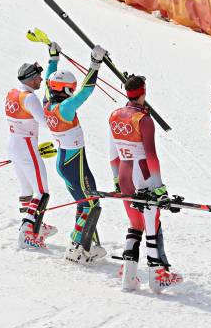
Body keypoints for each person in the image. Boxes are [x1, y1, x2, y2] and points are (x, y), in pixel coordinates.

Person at [108, 75, 183, 292]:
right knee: (151, 224)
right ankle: (157, 276)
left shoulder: (114, 115)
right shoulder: (144, 119)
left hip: (124, 175)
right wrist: (160, 187)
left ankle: (128, 275)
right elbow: (151, 155)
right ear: (144, 92)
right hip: (143, 176)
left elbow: (113, 154)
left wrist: (116, 180)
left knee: (135, 223)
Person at [43, 41, 107, 263]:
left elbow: (47, 81)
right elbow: (86, 91)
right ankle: (77, 247)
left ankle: (83, 245)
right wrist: (94, 63)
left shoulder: (48, 104)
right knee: (91, 203)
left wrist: (53, 58)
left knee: (87, 202)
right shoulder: (66, 108)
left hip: (67, 161)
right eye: (70, 87)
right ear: (66, 89)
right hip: (74, 163)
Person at [6, 62, 57, 249]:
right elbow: (46, 123)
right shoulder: (30, 98)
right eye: (38, 77)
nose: (41, 80)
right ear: (30, 78)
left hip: (14, 144)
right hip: (27, 146)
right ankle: (27, 231)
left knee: (26, 188)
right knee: (42, 191)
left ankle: (33, 224)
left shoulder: (13, 92)